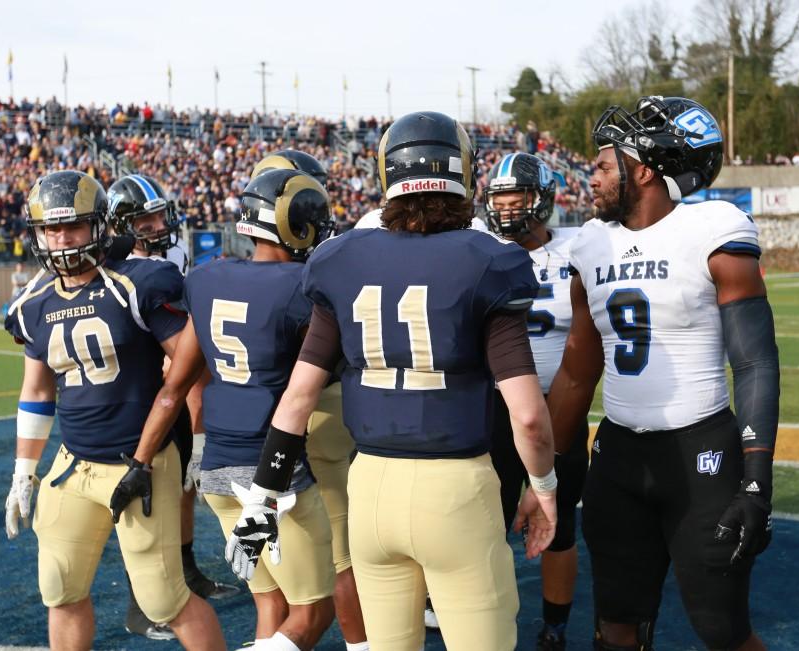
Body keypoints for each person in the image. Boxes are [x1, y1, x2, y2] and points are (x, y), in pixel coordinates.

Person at [226, 111, 558, 651]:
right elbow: (526, 415)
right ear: (464, 174)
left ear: (387, 175)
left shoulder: (342, 259)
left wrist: (262, 499)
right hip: (456, 489)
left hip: (372, 489)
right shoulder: (490, 261)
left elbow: (297, 400)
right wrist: (543, 488)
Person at [546, 96, 779, 651]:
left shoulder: (712, 228)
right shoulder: (589, 245)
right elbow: (578, 377)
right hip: (619, 457)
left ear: (643, 169)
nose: (592, 178)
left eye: (604, 165)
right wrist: (546, 473)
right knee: (616, 624)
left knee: (723, 629)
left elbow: (753, 361)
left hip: (702, 455)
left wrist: (755, 477)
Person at [2, 170, 226, 651]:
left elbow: (188, 369)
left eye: (74, 226)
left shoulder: (138, 282)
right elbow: (37, 390)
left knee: (165, 599)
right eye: (51, 229)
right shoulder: (33, 303)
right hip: (74, 462)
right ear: (37, 233)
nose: (62, 239)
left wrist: (193, 443)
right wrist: (24, 470)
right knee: (60, 587)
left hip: (139, 459)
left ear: (98, 226)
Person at [122, 167, 339, 651]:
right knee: (313, 611)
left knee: (271, 603)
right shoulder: (303, 288)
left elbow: (174, 385)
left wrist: (147, 459)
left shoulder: (206, 277)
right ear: (297, 224)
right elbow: (320, 378)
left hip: (218, 468)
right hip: (275, 472)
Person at [106, 172, 235, 641]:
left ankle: (186, 571)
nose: (159, 224)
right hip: (138, 393)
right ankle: (140, 603)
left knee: (180, 485)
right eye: (146, 218)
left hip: (174, 387)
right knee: (141, 497)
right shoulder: (114, 268)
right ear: (121, 226)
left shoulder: (172, 258)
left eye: (161, 213)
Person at [252, 149, 369, 649]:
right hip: (320, 411)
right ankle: (362, 644)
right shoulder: (326, 263)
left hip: (254, 426)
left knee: (275, 569)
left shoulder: (224, 273)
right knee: (342, 552)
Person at [484, 151, 588, 650]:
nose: (505, 209)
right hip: (495, 408)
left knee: (560, 522)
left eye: (516, 197)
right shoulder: (478, 249)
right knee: (488, 521)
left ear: (542, 199)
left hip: (560, 407)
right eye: (498, 198)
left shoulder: (579, 248)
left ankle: (555, 626)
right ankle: (483, 618)